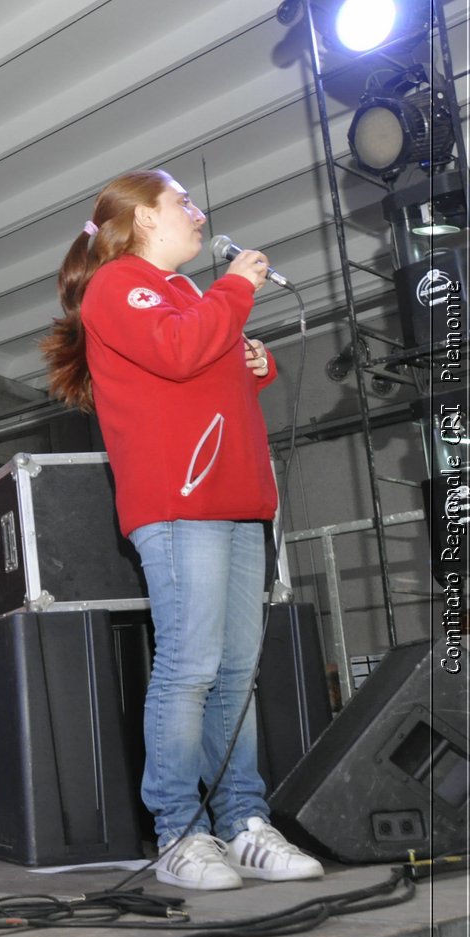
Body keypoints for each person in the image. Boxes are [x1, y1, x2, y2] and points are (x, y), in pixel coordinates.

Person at [41, 169, 322, 891]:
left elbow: (199, 366)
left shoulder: (187, 293)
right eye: (183, 203)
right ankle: (178, 830)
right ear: (139, 221)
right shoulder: (119, 284)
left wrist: (251, 363)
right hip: (179, 501)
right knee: (191, 666)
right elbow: (174, 352)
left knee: (235, 673)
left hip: (234, 499)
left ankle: (243, 821)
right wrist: (237, 288)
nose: (198, 213)